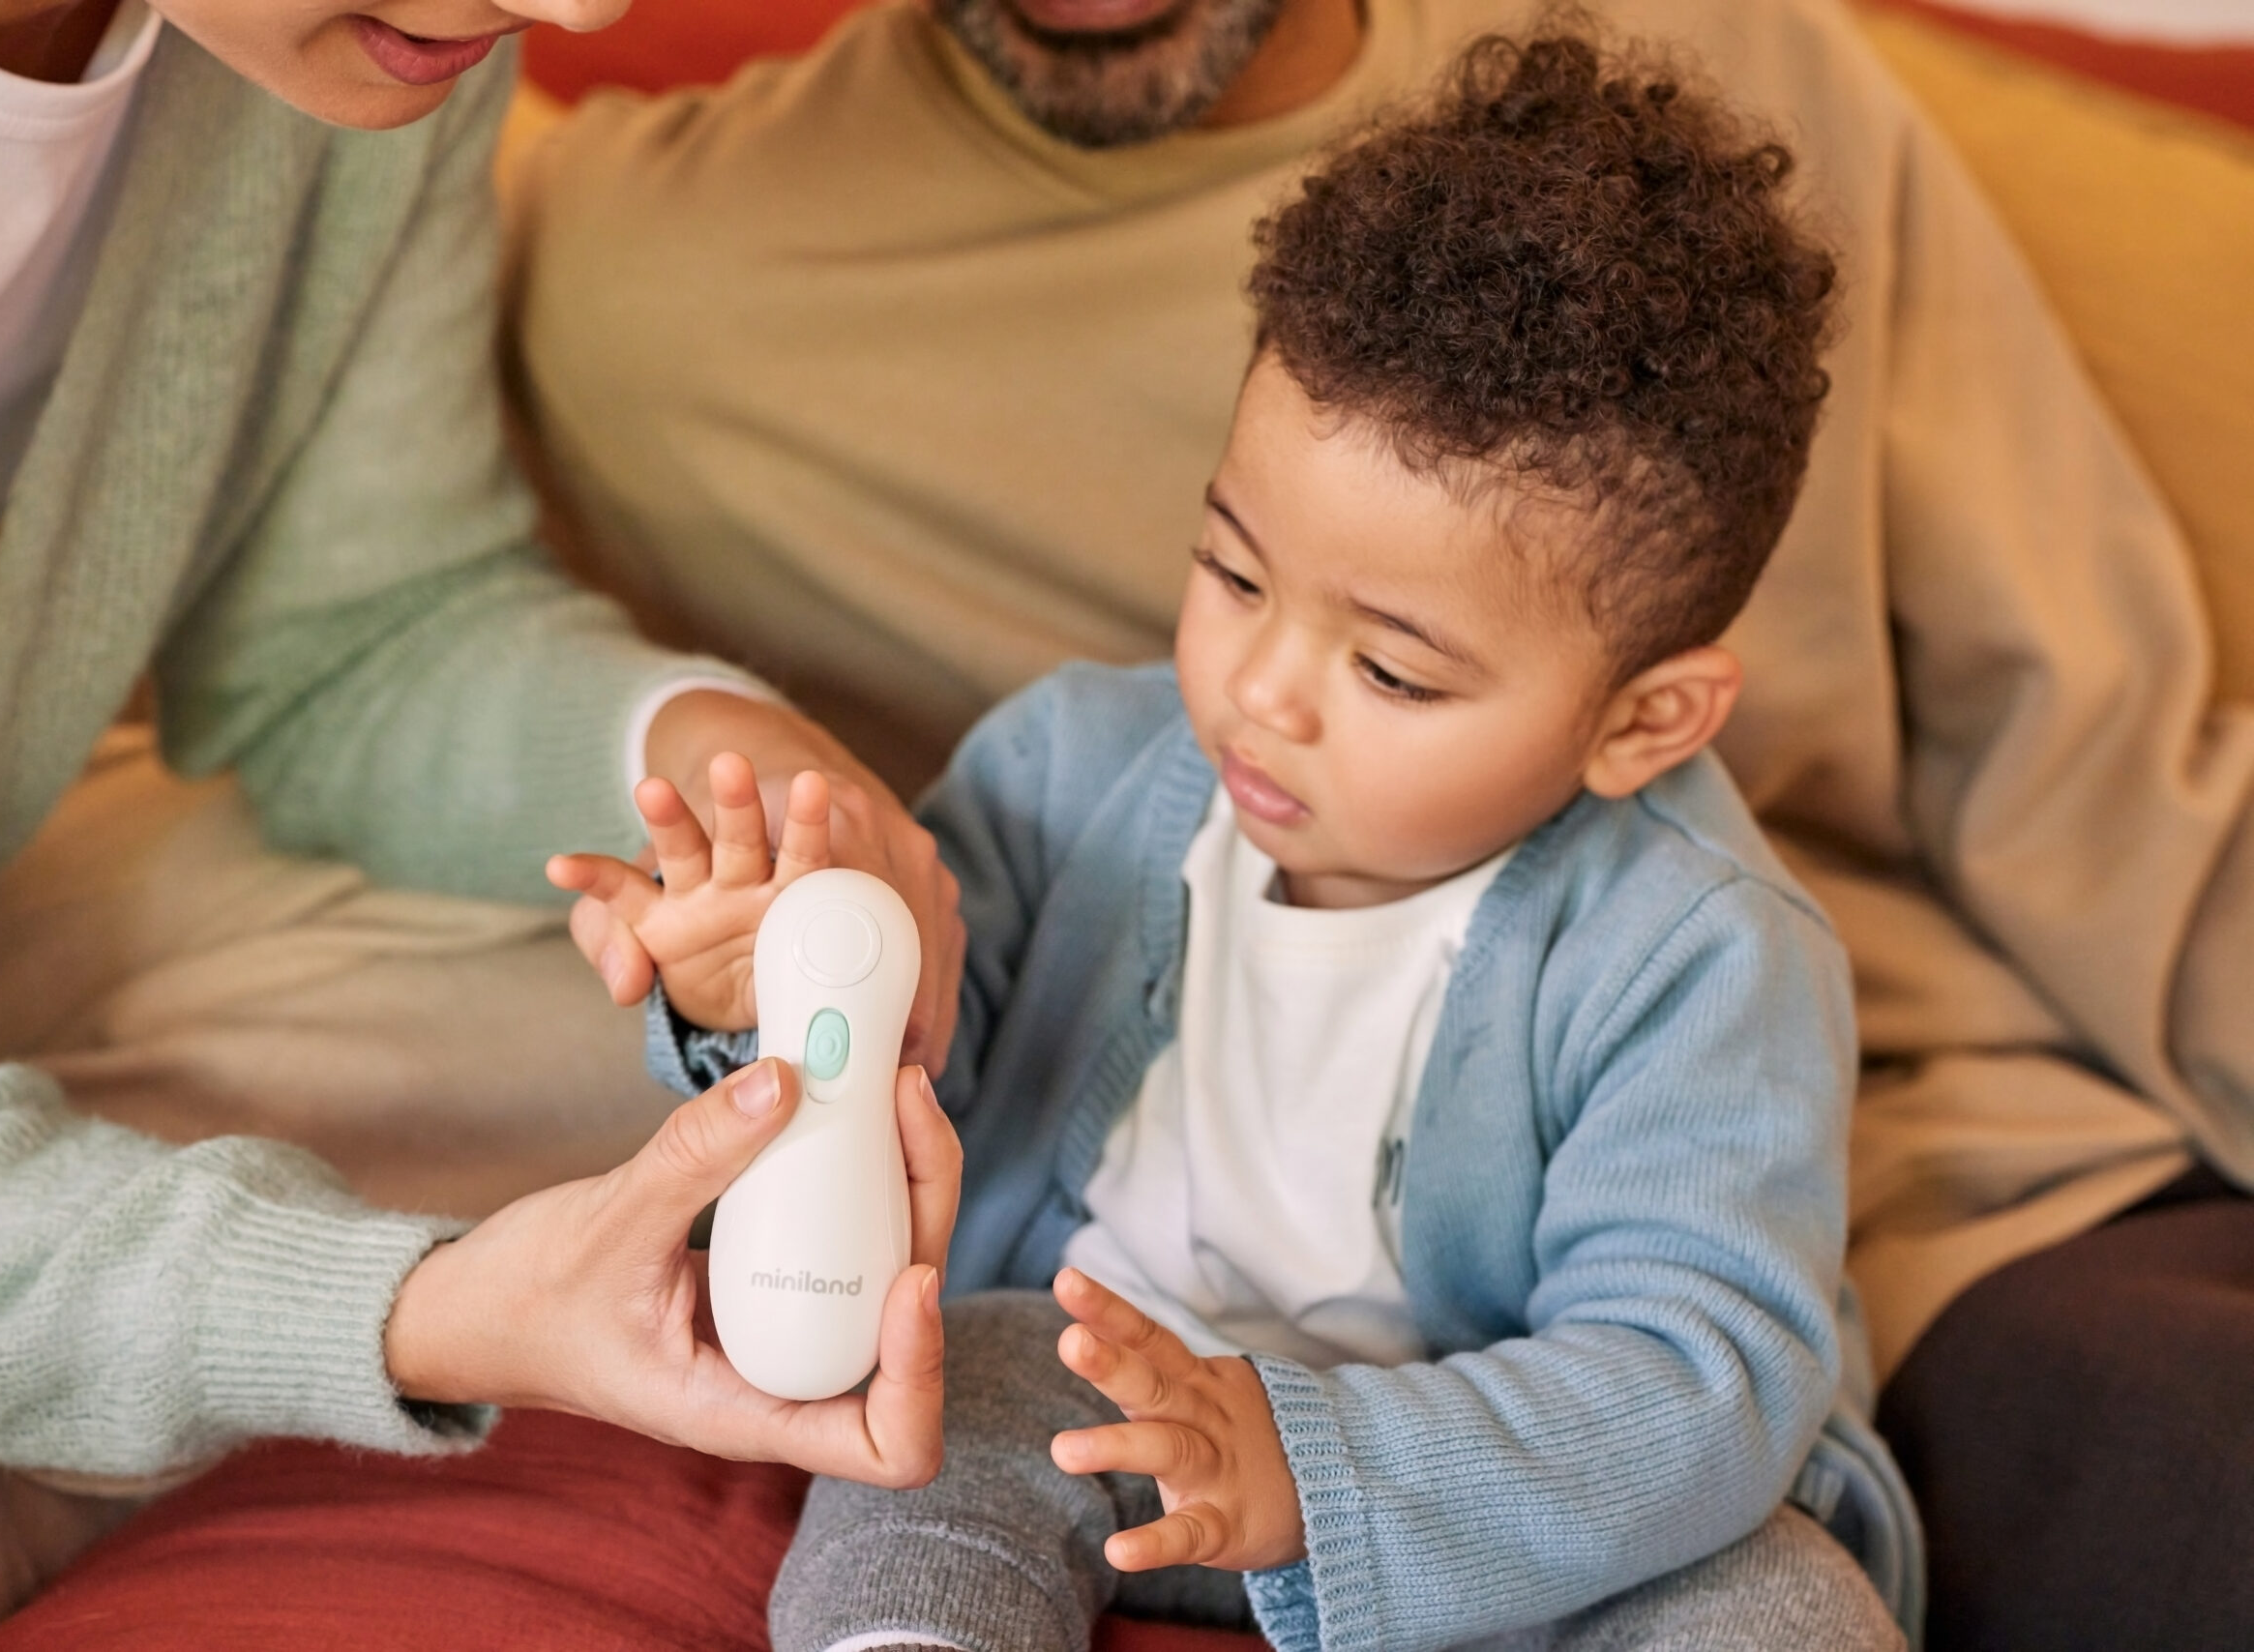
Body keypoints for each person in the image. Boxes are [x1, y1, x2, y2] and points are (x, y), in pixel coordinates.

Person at [514, 0, 2253, 1639]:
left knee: (1772, 1587)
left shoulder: (1702, 954)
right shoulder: (1072, 772)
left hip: (1491, 1479)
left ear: (1645, 721)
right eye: (1230, 570)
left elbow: (1704, 1371)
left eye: (1398, 675)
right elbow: (917, 1085)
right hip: (1092, 1385)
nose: (1262, 691)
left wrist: (1310, 1464)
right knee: (948, 1408)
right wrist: (767, 998)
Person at [0, 1, 969, 1646]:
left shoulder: (364, 48)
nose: (580, 11)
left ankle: (4, 1341)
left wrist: (709, 757)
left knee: (668, 1042)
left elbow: (351, 625)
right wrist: (409, 1311)